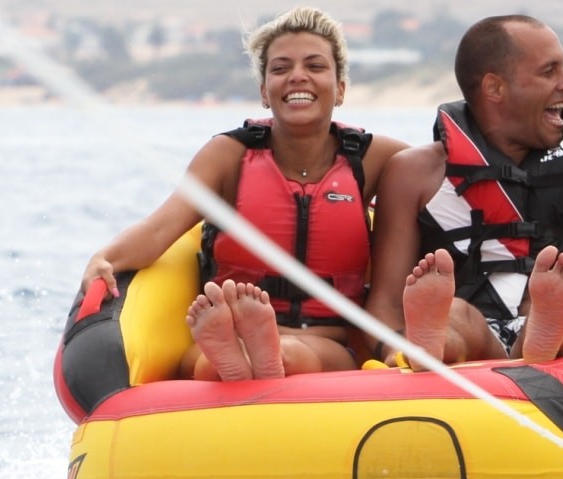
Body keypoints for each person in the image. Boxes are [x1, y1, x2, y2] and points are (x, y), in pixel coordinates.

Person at [80, 8, 410, 381]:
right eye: (281, 68)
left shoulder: (376, 159)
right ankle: (244, 356)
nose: (297, 76)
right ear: (264, 91)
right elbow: (160, 228)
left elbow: (433, 181)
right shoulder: (228, 156)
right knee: (214, 360)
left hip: (322, 340)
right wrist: (105, 257)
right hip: (229, 329)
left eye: (315, 66)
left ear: (341, 87)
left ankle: (252, 358)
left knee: (292, 356)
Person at [367, 15, 563, 369]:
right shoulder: (414, 173)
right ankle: (428, 346)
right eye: (549, 71)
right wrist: (391, 350)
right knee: (455, 316)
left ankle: (543, 333)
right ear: (494, 88)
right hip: (478, 330)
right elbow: (386, 302)